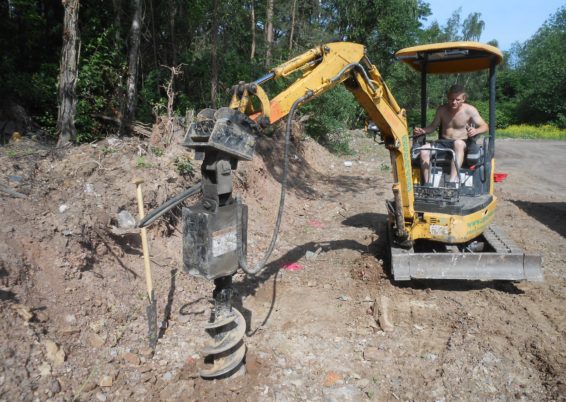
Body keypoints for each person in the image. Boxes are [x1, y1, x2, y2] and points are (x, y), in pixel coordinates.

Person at [413, 84, 488, 186]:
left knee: (458, 144)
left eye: (457, 99)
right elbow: (433, 126)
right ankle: (428, 184)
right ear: (448, 98)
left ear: (463, 99)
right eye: (451, 99)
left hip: (463, 143)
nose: (454, 102)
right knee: (424, 150)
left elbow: (485, 126)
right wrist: (422, 131)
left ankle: (452, 182)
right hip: (443, 143)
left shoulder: (470, 110)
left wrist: (476, 131)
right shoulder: (441, 110)